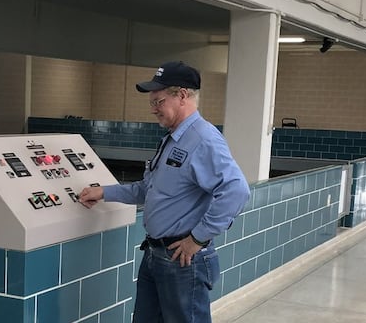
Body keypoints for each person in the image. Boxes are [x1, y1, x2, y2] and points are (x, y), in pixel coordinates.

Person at [79, 60, 250, 323]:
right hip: (155, 254)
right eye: (152, 103)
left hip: (183, 261)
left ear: (182, 95)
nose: (153, 110)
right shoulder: (172, 140)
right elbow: (149, 190)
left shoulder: (203, 139)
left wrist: (198, 239)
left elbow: (236, 190)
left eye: (158, 102)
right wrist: (104, 192)